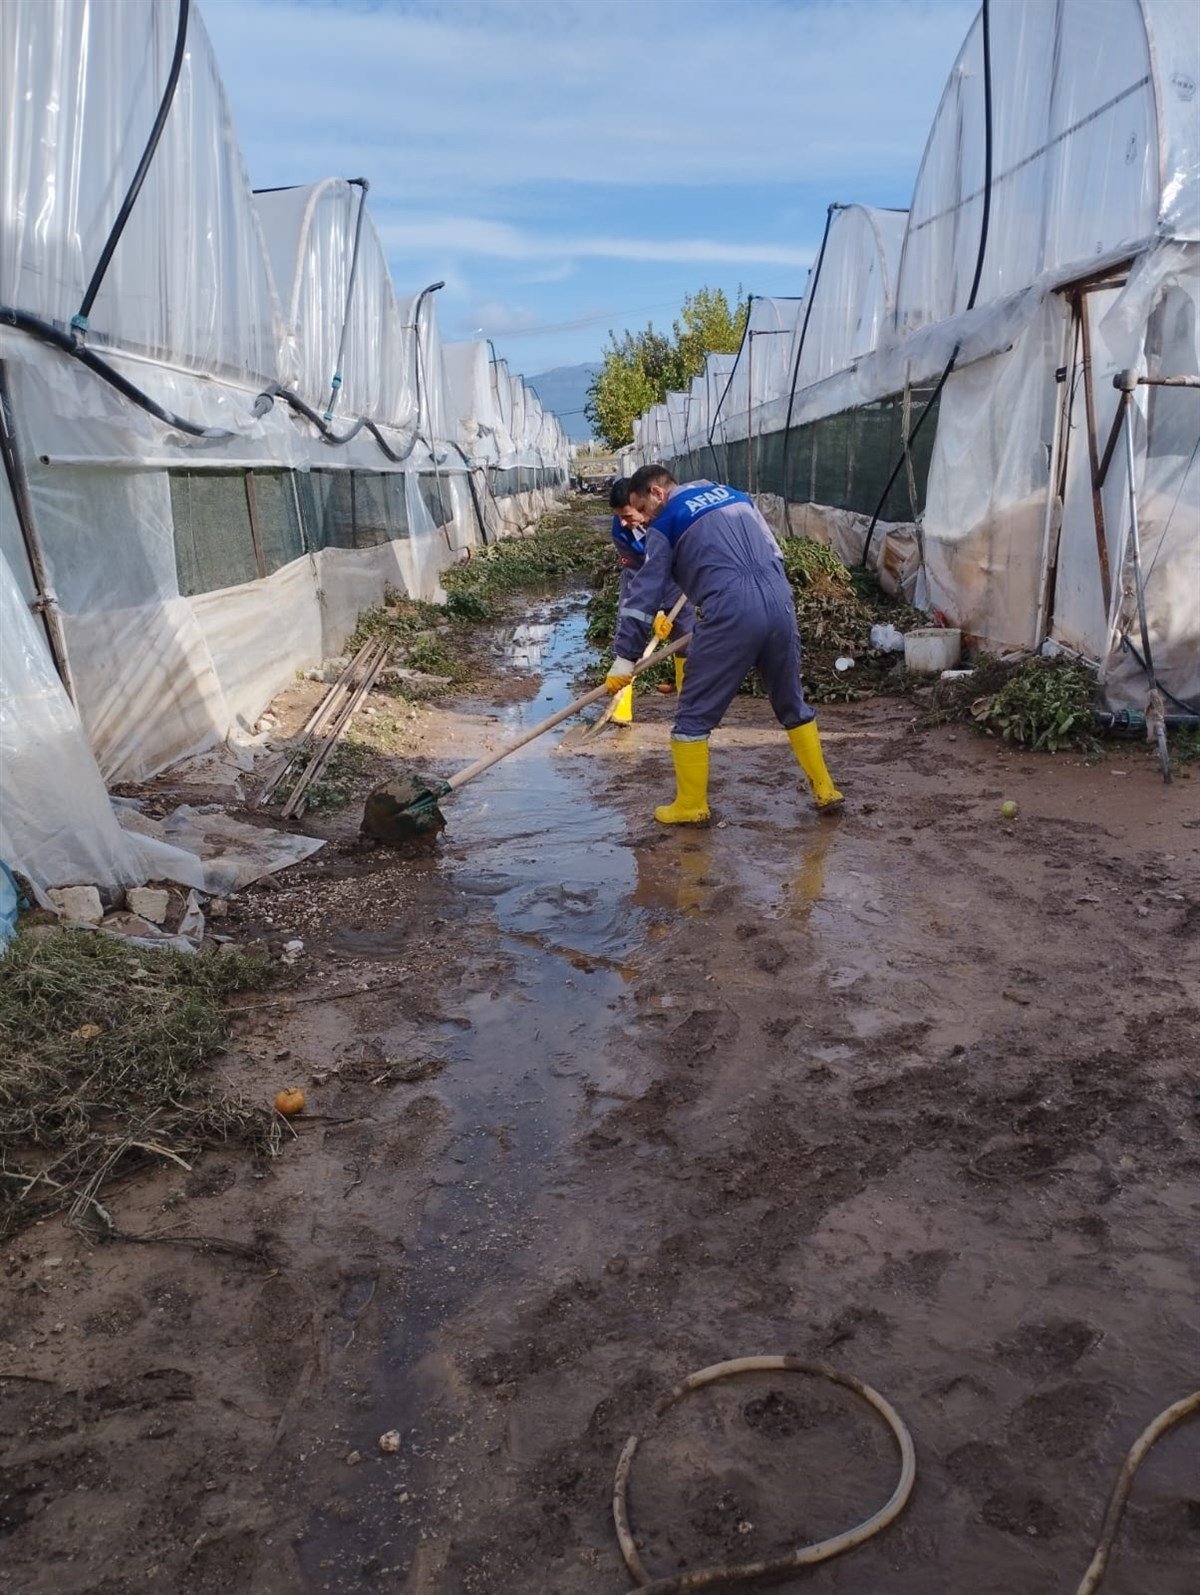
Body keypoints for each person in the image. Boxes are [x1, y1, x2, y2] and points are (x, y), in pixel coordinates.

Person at [604, 464, 843, 823]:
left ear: (657, 493)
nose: (643, 520)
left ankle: (691, 806)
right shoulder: (736, 497)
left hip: (730, 612)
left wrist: (624, 658)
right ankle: (825, 789)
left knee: (692, 715)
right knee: (791, 701)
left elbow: (642, 597)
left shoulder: (665, 522)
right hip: (780, 602)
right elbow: (774, 552)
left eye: (643, 509)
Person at [606, 477, 692, 725]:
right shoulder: (620, 531)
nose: (623, 521)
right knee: (628, 633)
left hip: (676, 583)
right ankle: (620, 709)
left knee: (686, 638)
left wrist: (667, 609)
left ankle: (689, 704)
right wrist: (654, 613)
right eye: (618, 516)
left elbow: (676, 564)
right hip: (637, 582)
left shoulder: (667, 519)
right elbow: (640, 576)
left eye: (627, 514)